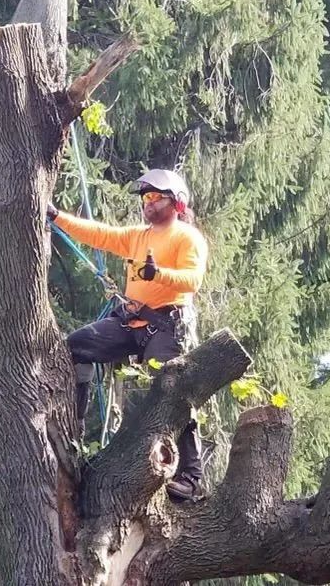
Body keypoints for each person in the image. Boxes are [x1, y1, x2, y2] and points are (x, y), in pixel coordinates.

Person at [47, 169, 208, 501]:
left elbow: (192, 279)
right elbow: (100, 234)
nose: (147, 204)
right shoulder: (138, 236)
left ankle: (191, 477)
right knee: (75, 347)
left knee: (170, 390)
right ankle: (73, 422)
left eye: (154, 197)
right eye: (145, 198)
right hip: (130, 322)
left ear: (175, 202)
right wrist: (57, 217)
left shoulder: (186, 237)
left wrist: (158, 273)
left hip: (166, 324)